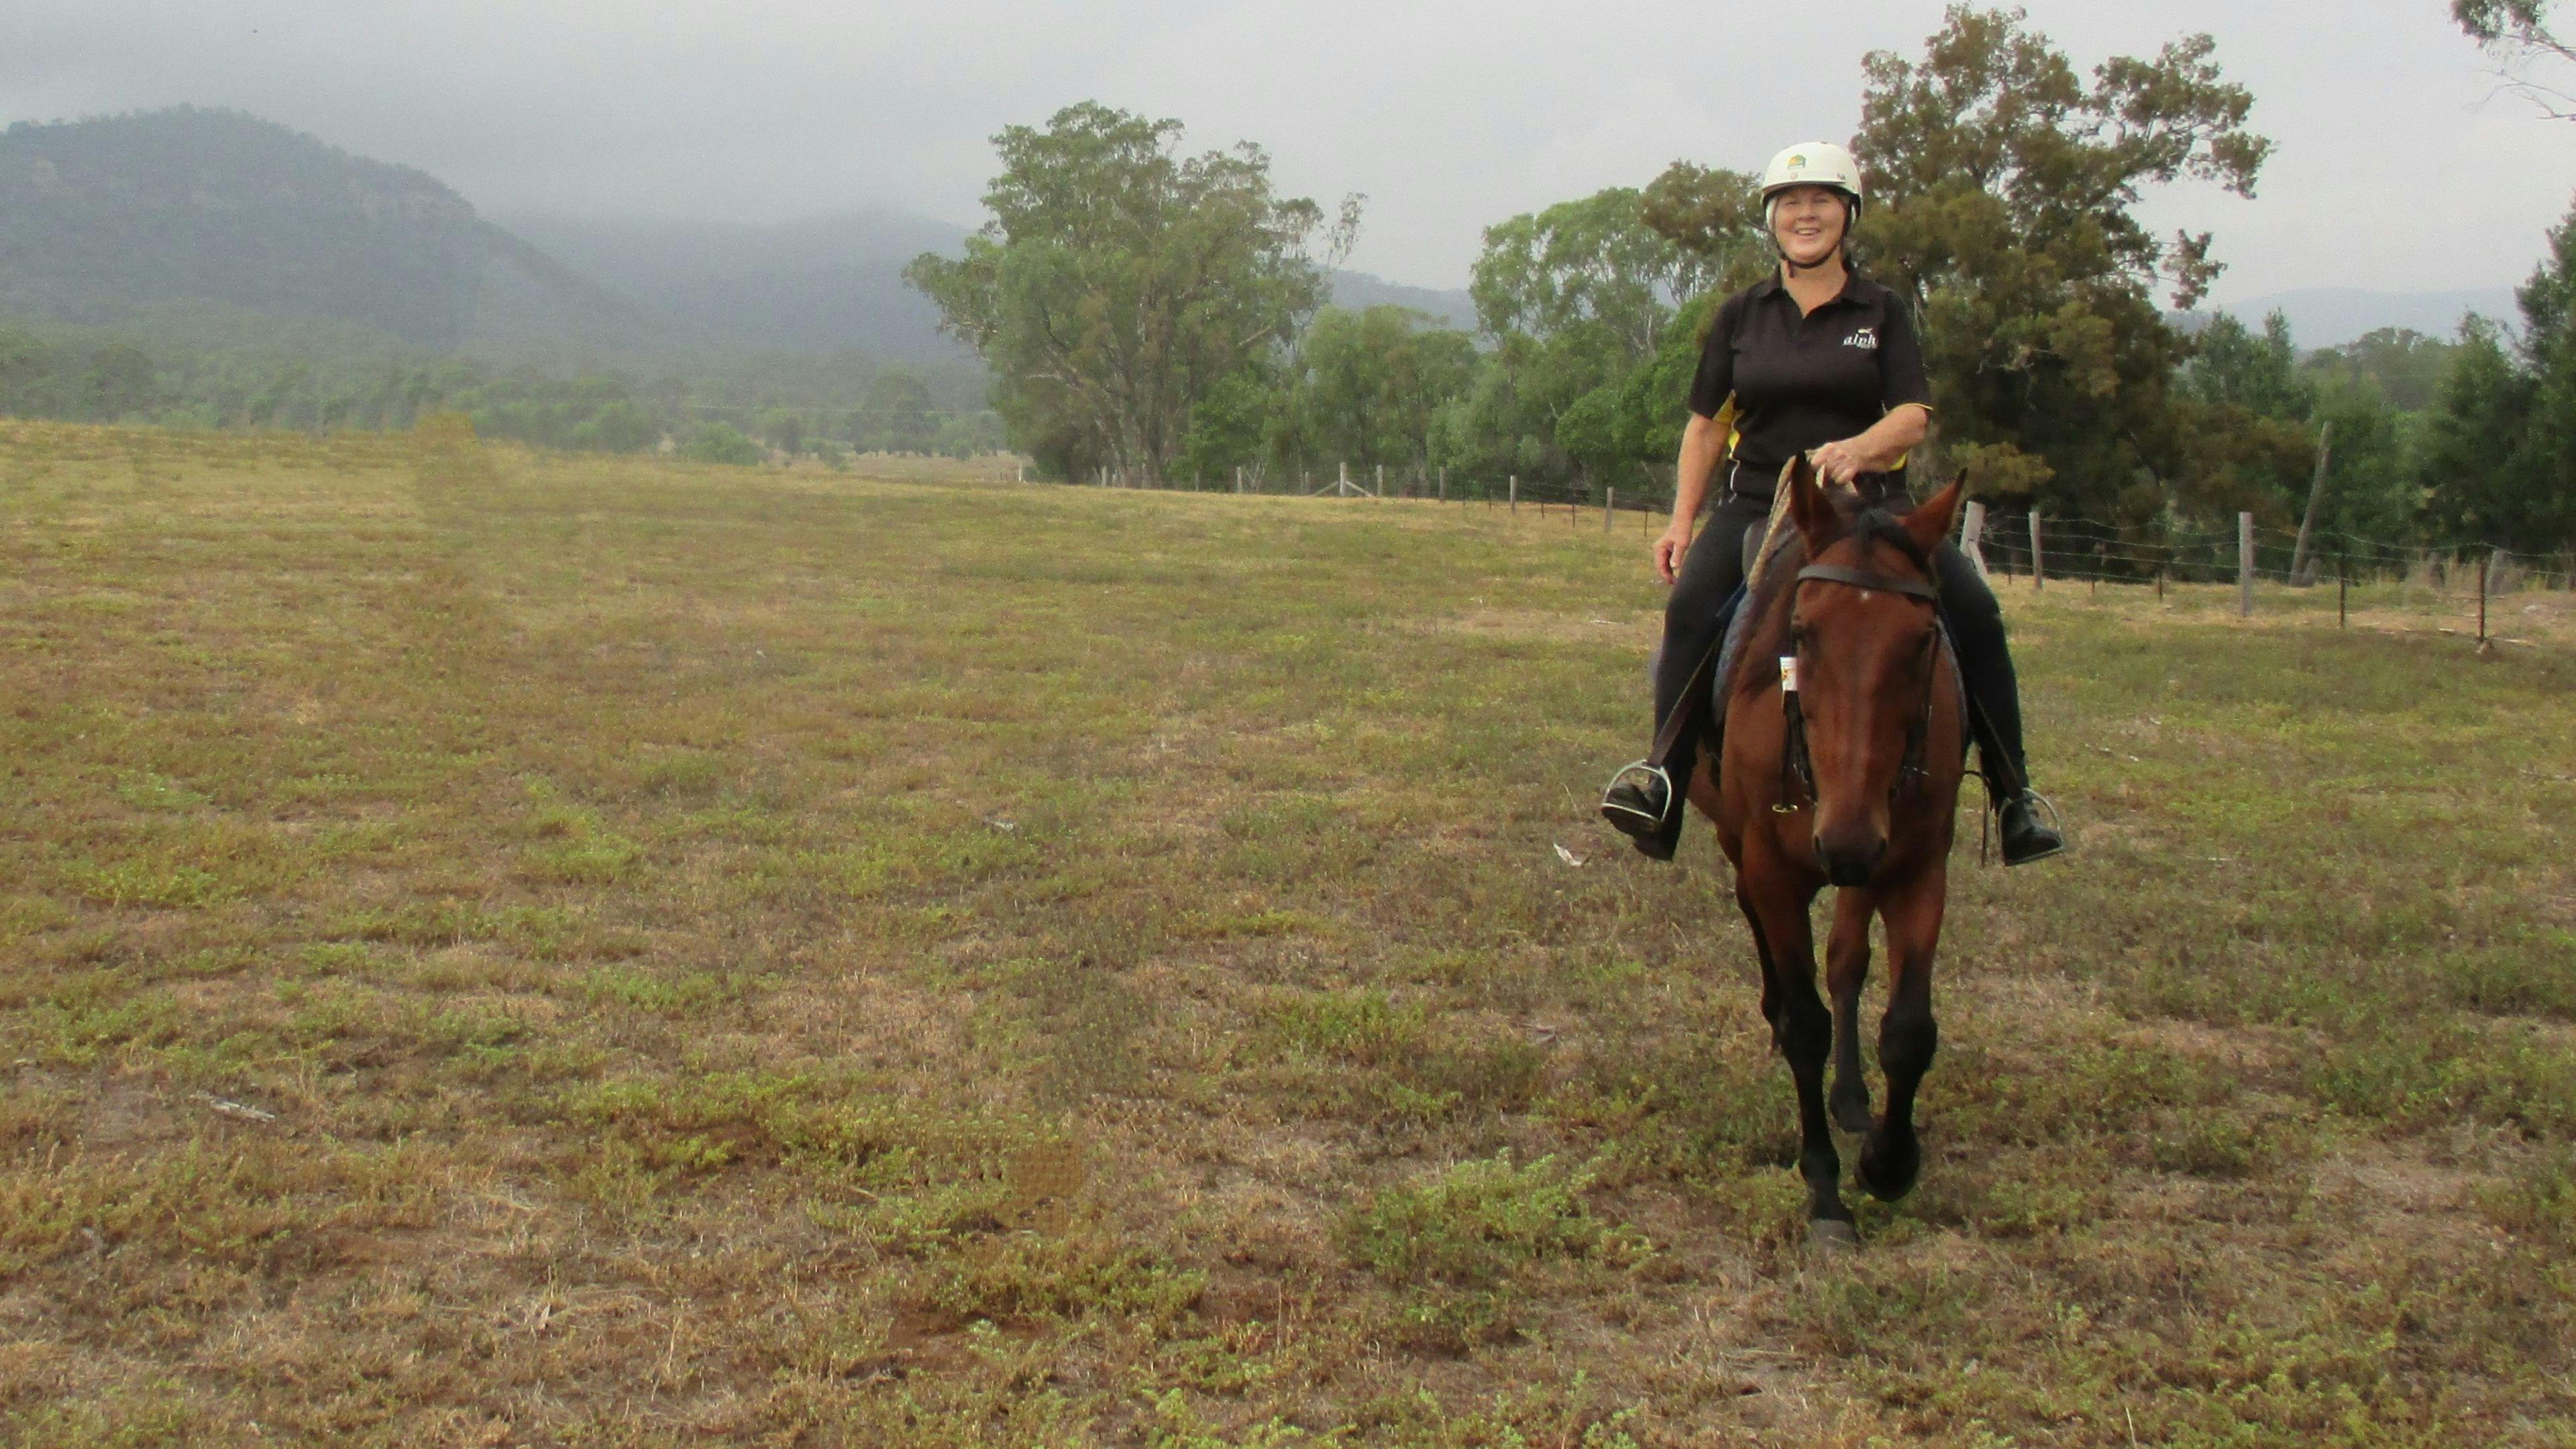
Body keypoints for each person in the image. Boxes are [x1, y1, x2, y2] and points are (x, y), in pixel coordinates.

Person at [1599, 141, 2064, 866]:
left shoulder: (1883, 311)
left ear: (1848, 214)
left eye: (1820, 201)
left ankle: (2015, 797)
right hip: (1760, 503)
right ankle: (1660, 778)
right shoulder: (1741, 315)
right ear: (1772, 219)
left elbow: (1913, 413)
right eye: (1790, 203)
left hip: (1874, 508)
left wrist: (1862, 448)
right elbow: (1705, 425)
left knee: (1974, 609)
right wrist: (1681, 523)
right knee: (1691, 610)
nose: (1804, 214)